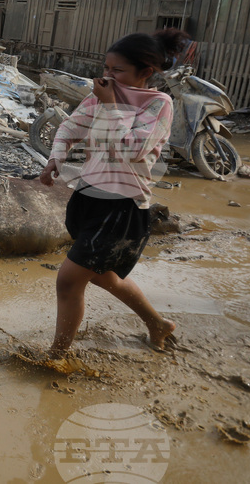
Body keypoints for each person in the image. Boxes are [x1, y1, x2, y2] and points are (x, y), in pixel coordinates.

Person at [40, 29, 188, 355]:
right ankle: (157, 323)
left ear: (145, 72)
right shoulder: (99, 97)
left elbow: (132, 150)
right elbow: (71, 126)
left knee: (68, 279)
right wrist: (56, 158)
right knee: (102, 276)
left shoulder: (158, 105)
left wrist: (109, 106)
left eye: (117, 70)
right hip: (87, 198)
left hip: (122, 207)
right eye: (106, 68)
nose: (107, 76)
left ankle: (57, 355)